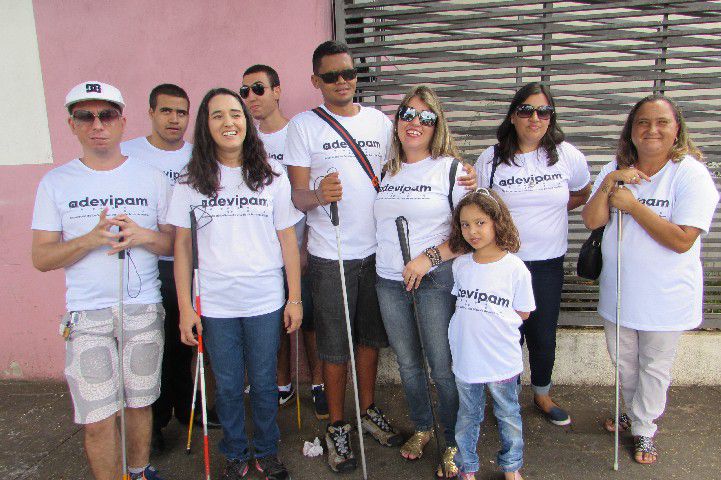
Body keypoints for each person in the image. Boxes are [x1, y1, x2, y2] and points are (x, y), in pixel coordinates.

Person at [31, 81, 173, 480]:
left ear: (122, 121)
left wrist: (142, 236)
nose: (97, 124)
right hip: (87, 315)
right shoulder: (56, 183)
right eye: (85, 116)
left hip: (143, 305)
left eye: (106, 115)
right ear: (72, 124)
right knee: (97, 417)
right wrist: (89, 240)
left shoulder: (151, 177)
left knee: (139, 404)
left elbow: (175, 243)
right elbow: (41, 257)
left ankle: (140, 471)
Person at [167, 87, 302, 480]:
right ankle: (235, 451)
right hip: (215, 302)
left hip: (264, 299)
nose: (229, 122)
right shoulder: (191, 181)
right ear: (206, 126)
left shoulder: (271, 177)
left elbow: (288, 241)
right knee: (226, 386)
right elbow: (182, 248)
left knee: (263, 383)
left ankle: (266, 450)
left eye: (236, 114)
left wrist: (294, 298)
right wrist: (185, 308)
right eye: (217, 116)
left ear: (247, 121)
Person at [581, 94, 719, 464]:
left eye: (662, 122)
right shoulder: (616, 166)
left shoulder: (689, 174)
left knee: (654, 367)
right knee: (624, 362)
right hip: (619, 292)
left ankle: (644, 430)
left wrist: (634, 207)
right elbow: (592, 220)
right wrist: (610, 182)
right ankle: (635, 411)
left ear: (677, 131)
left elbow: (682, 239)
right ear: (631, 130)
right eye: (643, 122)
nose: (652, 129)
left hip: (665, 297)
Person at [475, 82, 591, 426]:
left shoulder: (566, 154)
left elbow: (581, 192)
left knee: (542, 334)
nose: (535, 118)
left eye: (543, 111)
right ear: (513, 116)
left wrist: (550, 211)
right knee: (505, 334)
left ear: (551, 117)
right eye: (526, 110)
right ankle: (502, 398)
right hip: (502, 265)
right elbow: (478, 207)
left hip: (547, 265)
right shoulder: (491, 158)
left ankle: (542, 394)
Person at [373, 85, 471, 477]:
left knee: (441, 366)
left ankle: (453, 441)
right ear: (397, 122)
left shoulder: (452, 170)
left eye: (425, 117)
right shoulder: (387, 170)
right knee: (409, 365)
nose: (415, 123)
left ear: (437, 125)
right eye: (408, 114)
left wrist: (428, 258)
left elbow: (471, 232)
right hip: (388, 281)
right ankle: (423, 427)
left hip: (434, 281)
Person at [121, 83, 213, 454]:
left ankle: (186, 407)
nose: (174, 119)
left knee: (186, 341)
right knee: (154, 346)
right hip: (148, 264)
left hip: (190, 264)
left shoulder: (197, 157)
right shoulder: (130, 155)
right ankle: (156, 420)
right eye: (166, 111)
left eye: (181, 112)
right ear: (151, 112)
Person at [240, 64, 328, 418]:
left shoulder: (299, 132)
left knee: (309, 321)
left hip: (303, 244)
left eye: (258, 88)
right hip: (261, 252)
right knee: (273, 320)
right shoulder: (245, 140)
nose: (250, 98)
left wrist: (306, 246)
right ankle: (282, 384)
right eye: (244, 91)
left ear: (277, 90)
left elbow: (308, 191)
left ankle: (319, 384)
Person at [447, 188, 535, 480]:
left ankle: (511, 467)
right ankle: (467, 467)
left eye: (480, 222)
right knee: (467, 417)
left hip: (501, 361)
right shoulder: (460, 266)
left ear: (498, 221)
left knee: (508, 416)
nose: (472, 230)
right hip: (467, 359)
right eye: (465, 224)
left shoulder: (515, 268)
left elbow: (523, 312)